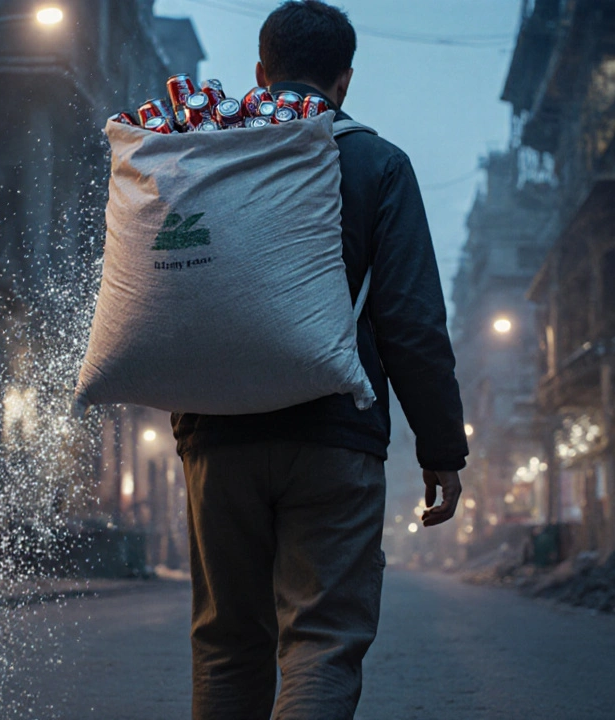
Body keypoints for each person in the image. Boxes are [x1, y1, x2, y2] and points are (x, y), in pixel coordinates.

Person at [170, 2, 469, 718]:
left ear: (260, 72)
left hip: (218, 436)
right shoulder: (378, 163)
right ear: (345, 80)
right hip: (337, 436)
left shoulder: (203, 150)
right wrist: (441, 449)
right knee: (322, 641)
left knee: (226, 643)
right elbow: (414, 325)